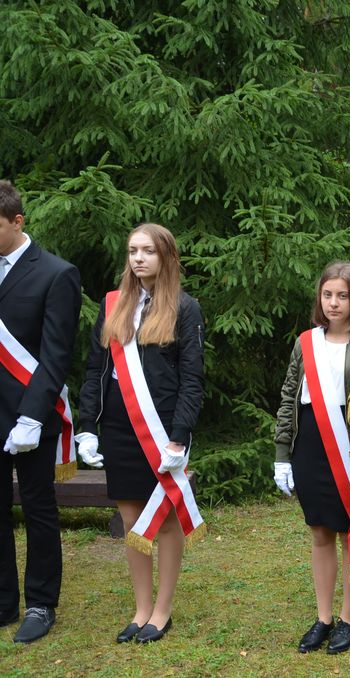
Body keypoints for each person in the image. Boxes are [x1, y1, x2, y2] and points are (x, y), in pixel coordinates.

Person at [76, 223, 204, 644]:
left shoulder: (185, 308)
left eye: (148, 250)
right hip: (118, 427)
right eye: (133, 251)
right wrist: (87, 427)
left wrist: (179, 437)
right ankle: (141, 608)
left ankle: (162, 611)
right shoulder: (113, 304)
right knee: (131, 520)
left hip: (162, 430)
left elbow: (192, 380)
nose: (138, 258)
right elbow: (95, 369)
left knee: (163, 520)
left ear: (166, 256)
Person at [273, 261, 350, 654]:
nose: (333, 303)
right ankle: (323, 618)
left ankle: (349, 619)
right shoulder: (306, 343)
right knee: (320, 532)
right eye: (328, 294)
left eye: (342, 296)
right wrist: (282, 455)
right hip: (311, 447)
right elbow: (288, 397)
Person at [0, 181, 82, 643]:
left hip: (31, 416)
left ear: (17, 222)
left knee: (38, 510)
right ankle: (2, 600)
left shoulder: (56, 273)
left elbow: (55, 354)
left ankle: (40, 603)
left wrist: (31, 416)